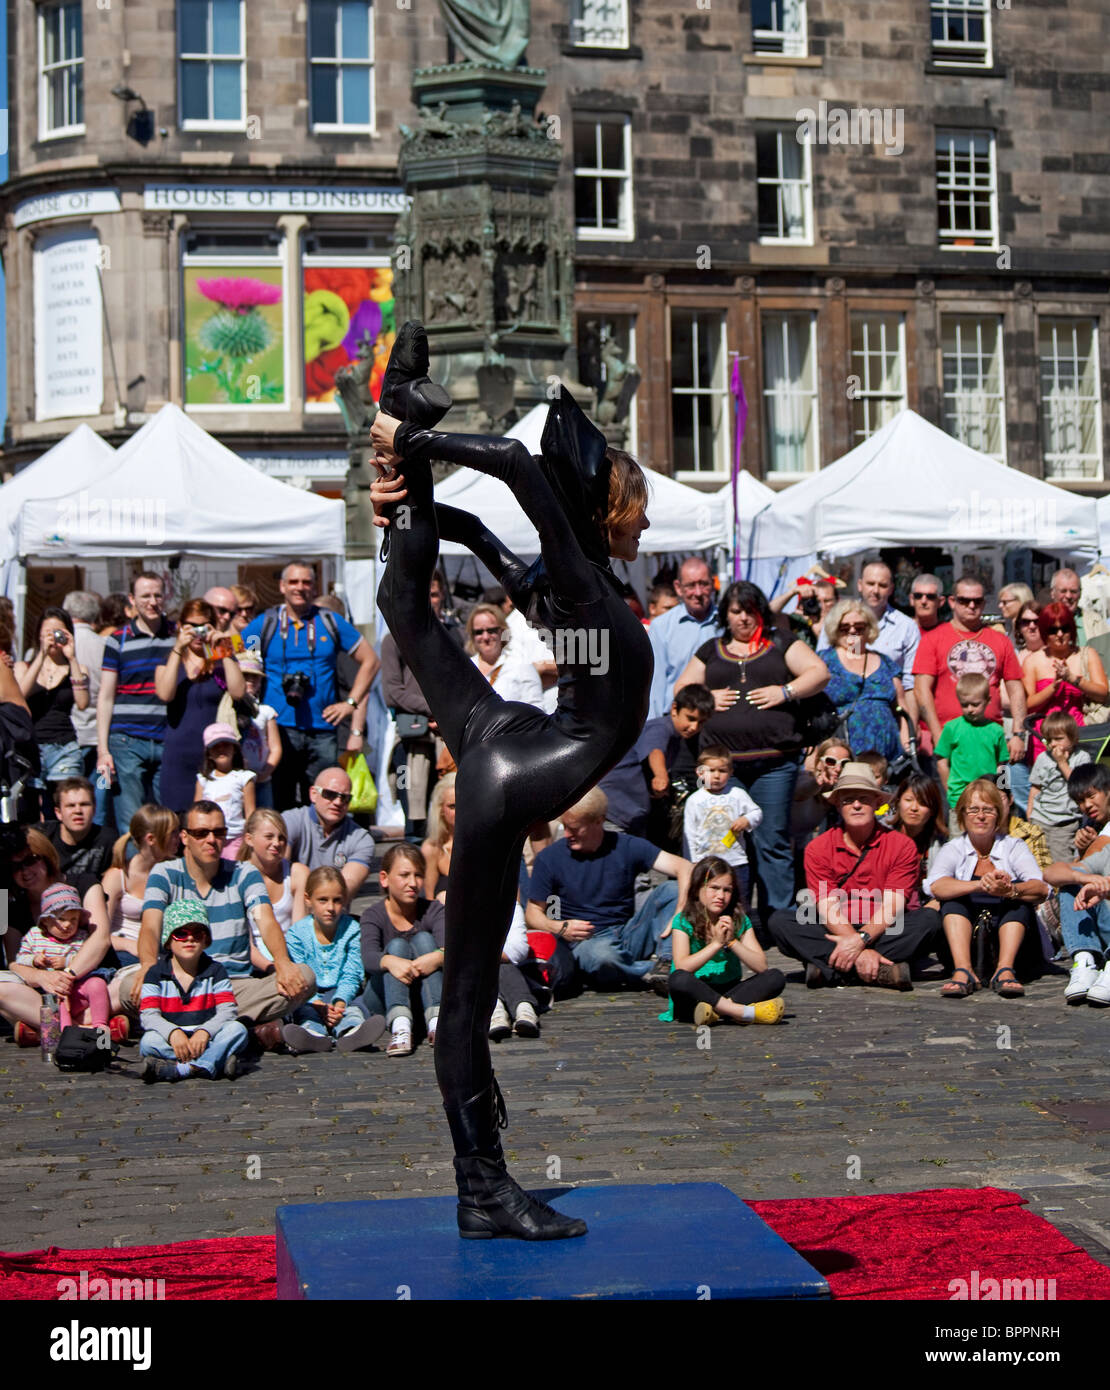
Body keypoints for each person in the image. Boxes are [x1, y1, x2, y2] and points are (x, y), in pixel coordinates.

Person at [368, 322, 654, 1239]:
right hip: (519, 768)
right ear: (613, 509)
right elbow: (517, 466)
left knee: (405, 608)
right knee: (466, 991)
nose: (647, 523)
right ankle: (482, 1187)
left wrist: (412, 497)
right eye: (639, 508)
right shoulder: (579, 571)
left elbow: (486, 534)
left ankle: (394, 409)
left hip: (509, 738)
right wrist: (425, 450)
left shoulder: (577, 588)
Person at [673, 579, 830, 915]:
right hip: (724, 769)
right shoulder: (711, 649)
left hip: (774, 764)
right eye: (736, 611)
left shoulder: (780, 642)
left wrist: (785, 691)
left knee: (771, 839)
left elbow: (819, 673)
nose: (743, 618)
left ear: (760, 612)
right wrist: (707, 698)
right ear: (725, 615)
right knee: (726, 842)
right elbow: (682, 688)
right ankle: (731, 917)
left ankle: (780, 920)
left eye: (750, 610)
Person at [117, 800, 315, 1034]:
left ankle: (187, 1023)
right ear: (185, 837)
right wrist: (148, 967)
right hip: (178, 983)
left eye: (219, 832)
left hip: (234, 984)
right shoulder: (165, 873)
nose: (211, 839)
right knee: (128, 987)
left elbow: (265, 919)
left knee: (305, 977)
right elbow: (150, 926)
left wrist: (281, 961)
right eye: (201, 833)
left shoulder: (244, 873)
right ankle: (236, 1027)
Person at [768, 762, 941, 990]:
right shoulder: (817, 847)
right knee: (781, 922)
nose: (856, 805)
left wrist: (861, 940)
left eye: (864, 799)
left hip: (884, 928)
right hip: (835, 927)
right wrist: (856, 945)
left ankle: (829, 969)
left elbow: (893, 906)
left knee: (929, 920)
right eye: (848, 800)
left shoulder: (902, 846)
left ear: (877, 803)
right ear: (838, 806)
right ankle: (882, 971)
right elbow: (827, 906)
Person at [240, 563, 378, 809]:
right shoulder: (266, 624)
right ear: (282, 587)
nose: (299, 588)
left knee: (322, 803)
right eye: (293, 582)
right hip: (278, 729)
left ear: (314, 587)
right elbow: (237, 654)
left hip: (322, 728)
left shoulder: (329, 622)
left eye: (306, 582)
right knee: (280, 802)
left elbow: (371, 661)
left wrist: (350, 703)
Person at [525, 788, 692, 991]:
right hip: (586, 942)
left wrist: (679, 912)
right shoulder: (550, 858)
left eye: (575, 829)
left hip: (628, 933)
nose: (567, 834)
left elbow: (685, 868)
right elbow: (533, 913)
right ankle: (661, 973)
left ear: (599, 821)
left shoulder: (626, 845)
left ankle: (667, 961)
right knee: (602, 957)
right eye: (565, 827)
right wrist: (560, 927)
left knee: (671, 890)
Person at [926, 779, 1049, 998]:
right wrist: (977, 885)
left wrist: (1011, 890)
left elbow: (1040, 887)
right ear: (963, 814)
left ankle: (1005, 969)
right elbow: (935, 886)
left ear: (999, 815)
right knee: (953, 901)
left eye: (988, 810)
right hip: (966, 937)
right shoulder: (953, 848)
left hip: (1011, 937)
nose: (980, 816)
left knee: (1017, 903)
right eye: (973, 809)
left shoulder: (1013, 846)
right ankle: (963, 970)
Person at [0, 830, 113, 1045]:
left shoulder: (85, 882)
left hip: (89, 983)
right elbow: (13, 962)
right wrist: (43, 977)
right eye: (14, 867)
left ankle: (44, 1029)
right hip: (44, 992)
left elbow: (101, 939)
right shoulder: (8, 904)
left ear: (46, 855)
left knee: (128, 985)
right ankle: (89, 1028)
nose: (25, 871)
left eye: (30, 861)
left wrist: (66, 976)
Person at [913, 575, 1026, 770]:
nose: (971, 605)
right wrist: (937, 733)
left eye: (977, 601)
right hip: (950, 742)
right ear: (952, 601)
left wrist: (1018, 734)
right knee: (951, 799)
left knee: (1000, 796)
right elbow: (921, 691)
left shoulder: (1000, 640)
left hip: (993, 742)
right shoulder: (932, 639)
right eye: (964, 600)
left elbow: (1016, 689)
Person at [661, 856, 785, 1026]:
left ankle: (716, 1012)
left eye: (727, 890)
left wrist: (732, 941)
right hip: (694, 993)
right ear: (698, 888)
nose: (721, 896)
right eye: (714, 888)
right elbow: (683, 966)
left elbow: (761, 966)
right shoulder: (683, 921)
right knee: (678, 979)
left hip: (729, 990)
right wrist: (716, 944)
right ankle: (740, 1012)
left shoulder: (739, 920)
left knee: (775, 977)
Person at [96, 572, 176, 832]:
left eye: (157, 595)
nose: (152, 602)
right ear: (132, 600)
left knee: (169, 818)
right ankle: (132, 872)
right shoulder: (117, 640)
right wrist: (102, 749)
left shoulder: (178, 636)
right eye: (145, 596)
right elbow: (106, 697)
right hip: (126, 739)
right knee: (131, 821)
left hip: (168, 736)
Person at [139, 899, 248, 1082]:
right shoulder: (155, 973)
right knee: (148, 1042)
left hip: (208, 1038)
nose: (189, 939)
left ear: (205, 940)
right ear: (168, 941)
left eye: (197, 934)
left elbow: (227, 1011)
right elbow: (148, 1015)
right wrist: (173, 1033)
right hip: (173, 1040)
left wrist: (205, 1032)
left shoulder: (216, 970)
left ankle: (184, 1069)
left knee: (237, 1030)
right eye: (181, 934)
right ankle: (216, 1061)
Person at [154, 598, 246, 816]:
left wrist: (224, 649)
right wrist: (178, 648)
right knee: (176, 823)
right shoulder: (168, 656)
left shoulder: (225, 651)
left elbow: (239, 692)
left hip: (216, 755)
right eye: (191, 626)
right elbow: (165, 694)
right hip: (178, 756)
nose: (197, 632)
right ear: (180, 626)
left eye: (203, 626)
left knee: (218, 820)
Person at [281, 867, 386, 1054]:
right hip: (310, 997)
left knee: (354, 1009)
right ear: (308, 900)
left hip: (341, 993)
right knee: (306, 1013)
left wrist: (340, 1002)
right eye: (323, 900)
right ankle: (313, 1036)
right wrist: (316, 1003)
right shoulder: (297, 934)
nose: (330, 908)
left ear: (344, 900)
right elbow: (299, 975)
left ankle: (352, 1032)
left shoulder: (352, 930)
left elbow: (352, 973)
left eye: (337, 900)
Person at [357, 842, 445, 1058]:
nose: (412, 883)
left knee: (424, 939)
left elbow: (450, 948)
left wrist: (434, 958)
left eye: (418, 875)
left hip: (424, 994)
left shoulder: (433, 910)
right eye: (404, 875)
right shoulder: (373, 915)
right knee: (396, 947)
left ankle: (437, 1022)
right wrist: (391, 961)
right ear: (385, 878)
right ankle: (400, 1026)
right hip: (384, 997)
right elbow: (368, 957)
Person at [601, 682, 714, 843]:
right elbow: (655, 750)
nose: (694, 727)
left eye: (701, 722)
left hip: (632, 814)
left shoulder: (676, 736)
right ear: (674, 709)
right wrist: (661, 776)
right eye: (690, 718)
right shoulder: (661, 727)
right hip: (615, 812)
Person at [818, 562, 920, 729]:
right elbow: (821, 668)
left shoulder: (906, 627)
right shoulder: (836, 620)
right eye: (870, 583)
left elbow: (909, 685)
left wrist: (910, 729)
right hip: (839, 725)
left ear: (891, 589)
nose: (875, 590)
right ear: (860, 585)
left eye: (882, 585)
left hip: (885, 722)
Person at [13, 881, 111, 1041]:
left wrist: (67, 962)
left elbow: (87, 959)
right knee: (56, 997)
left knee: (97, 983)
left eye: (73, 920)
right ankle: (68, 1035)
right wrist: (34, 959)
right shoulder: (35, 936)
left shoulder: (80, 937)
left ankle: (100, 1026)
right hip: (51, 992)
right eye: (62, 919)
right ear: (46, 920)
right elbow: (20, 959)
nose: (68, 925)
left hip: (77, 990)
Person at [15, 607, 89, 807]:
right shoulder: (25, 667)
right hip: (32, 747)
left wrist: (72, 657)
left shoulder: (77, 669)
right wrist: (41, 654)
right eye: (48, 632)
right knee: (29, 809)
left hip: (64, 747)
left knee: (64, 805)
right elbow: (19, 696)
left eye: (59, 632)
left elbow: (83, 703)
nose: (53, 638)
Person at [821, 598, 907, 763]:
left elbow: (901, 707)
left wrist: (907, 744)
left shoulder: (886, 663)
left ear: (869, 629)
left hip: (886, 755)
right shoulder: (824, 661)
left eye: (859, 627)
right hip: (841, 752)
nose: (852, 631)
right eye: (845, 627)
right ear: (835, 630)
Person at [1022, 602, 1108, 760]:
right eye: (1053, 630)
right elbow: (1027, 704)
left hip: (1080, 736)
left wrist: (1074, 680)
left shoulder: (1087, 655)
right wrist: (1053, 688)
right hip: (1044, 738)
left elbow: (1103, 693)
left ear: (1073, 630)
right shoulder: (1032, 661)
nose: (1060, 634)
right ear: (1044, 631)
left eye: (1065, 628)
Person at [281, 766, 375, 903]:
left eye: (345, 797)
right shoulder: (288, 822)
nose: (338, 802)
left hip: (331, 916)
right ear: (313, 794)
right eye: (330, 794)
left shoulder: (361, 839)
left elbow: (346, 889)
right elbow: (277, 873)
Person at [103, 804, 181, 970]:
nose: (179, 837)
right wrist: (129, 945)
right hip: (124, 953)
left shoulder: (174, 871)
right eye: (172, 833)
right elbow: (98, 934)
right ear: (151, 839)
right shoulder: (118, 876)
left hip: (162, 952)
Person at [682, 744, 762, 895]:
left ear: (730, 772)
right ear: (699, 773)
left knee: (739, 900)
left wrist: (746, 820)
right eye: (711, 771)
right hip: (706, 863)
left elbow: (756, 812)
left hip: (735, 861)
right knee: (709, 900)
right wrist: (692, 862)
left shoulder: (737, 794)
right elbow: (690, 833)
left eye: (722, 771)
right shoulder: (695, 800)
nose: (716, 776)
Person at [646, 557, 721, 718]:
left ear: (713, 584)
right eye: (691, 585)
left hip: (719, 717)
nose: (698, 592)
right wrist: (653, 729)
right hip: (676, 720)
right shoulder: (662, 627)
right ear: (678, 588)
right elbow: (656, 684)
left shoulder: (726, 623)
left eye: (704, 584)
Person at [935, 672, 1009, 826]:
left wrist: (1002, 791)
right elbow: (942, 761)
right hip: (959, 796)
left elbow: (1002, 764)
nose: (970, 709)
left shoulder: (996, 730)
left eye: (975, 704)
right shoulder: (951, 728)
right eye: (964, 704)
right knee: (958, 840)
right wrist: (949, 789)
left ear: (987, 701)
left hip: (988, 797)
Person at [237, 809, 306, 970]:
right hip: (253, 962)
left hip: (290, 956)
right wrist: (273, 968)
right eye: (269, 837)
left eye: (281, 838)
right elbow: (245, 942)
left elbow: (299, 932)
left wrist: (288, 966)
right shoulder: (237, 877)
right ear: (249, 839)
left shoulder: (297, 873)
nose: (277, 843)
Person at [62, 591, 108, 822]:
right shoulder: (104, 645)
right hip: (101, 735)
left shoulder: (61, 645)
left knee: (70, 800)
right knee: (97, 801)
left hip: (72, 735)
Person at [1027, 712, 1090, 863]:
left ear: (1073, 738)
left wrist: (1062, 763)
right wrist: (1030, 812)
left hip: (1065, 822)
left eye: (1058, 739)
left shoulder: (1082, 757)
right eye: (1049, 740)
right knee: (1037, 860)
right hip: (1040, 818)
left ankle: (1064, 888)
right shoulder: (1043, 758)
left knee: (1062, 862)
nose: (1053, 744)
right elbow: (1036, 787)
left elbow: (1080, 786)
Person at [195, 722, 256, 860]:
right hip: (209, 838)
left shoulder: (244, 777)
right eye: (216, 746)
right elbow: (196, 812)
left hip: (235, 839)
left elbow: (250, 813)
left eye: (226, 744)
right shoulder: (203, 780)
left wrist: (247, 840)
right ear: (208, 753)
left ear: (235, 749)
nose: (221, 749)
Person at [465, 603, 544, 707]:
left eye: (491, 630)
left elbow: (538, 711)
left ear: (502, 631)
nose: (485, 637)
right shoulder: (466, 668)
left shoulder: (521, 665)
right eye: (479, 632)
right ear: (472, 635)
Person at [488, 902, 544, 1040]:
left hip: (507, 968)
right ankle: (501, 1009)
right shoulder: (457, 905)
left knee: (501, 964)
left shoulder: (510, 905)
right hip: (472, 974)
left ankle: (520, 1009)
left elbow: (518, 950)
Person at [41, 777, 115, 879]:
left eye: (84, 804)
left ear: (94, 809)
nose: (78, 811)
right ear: (58, 813)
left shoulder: (109, 840)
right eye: (71, 806)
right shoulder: (43, 837)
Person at [235, 649, 281, 808]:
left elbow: (275, 747)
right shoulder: (229, 710)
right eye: (245, 676)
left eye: (254, 677)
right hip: (237, 778)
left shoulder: (266, 711)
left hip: (261, 778)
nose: (250, 681)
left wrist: (266, 771)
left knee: (264, 816)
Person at [886, 772, 947, 892]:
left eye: (923, 803)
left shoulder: (941, 846)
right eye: (908, 800)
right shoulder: (883, 836)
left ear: (933, 809)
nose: (914, 808)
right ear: (898, 802)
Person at [421, 771, 455, 898]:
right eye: (452, 806)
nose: (460, 811)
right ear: (440, 810)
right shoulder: (432, 848)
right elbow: (429, 899)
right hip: (444, 915)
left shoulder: (485, 843)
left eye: (464, 804)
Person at [1050, 568, 1085, 644]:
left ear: (1080, 593)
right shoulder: (1040, 622)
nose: (1068, 596)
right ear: (1052, 593)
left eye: (1073, 591)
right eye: (1063, 591)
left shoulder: (1096, 623)